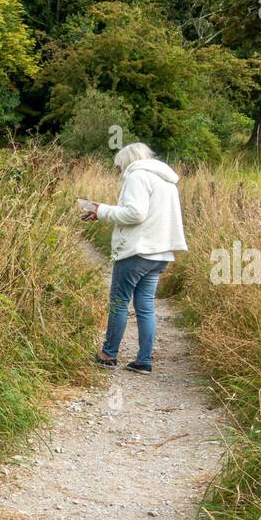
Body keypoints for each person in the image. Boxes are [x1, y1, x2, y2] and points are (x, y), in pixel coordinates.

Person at [80, 142, 187, 374]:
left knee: (119, 302)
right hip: (160, 254)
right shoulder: (166, 180)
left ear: (126, 163)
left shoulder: (137, 176)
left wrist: (102, 210)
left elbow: (135, 213)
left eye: (119, 168)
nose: (119, 173)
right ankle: (144, 360)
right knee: (146, 307)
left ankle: (108, 354)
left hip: (137, 252)